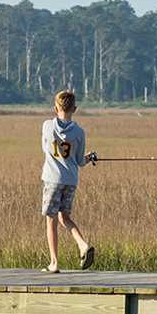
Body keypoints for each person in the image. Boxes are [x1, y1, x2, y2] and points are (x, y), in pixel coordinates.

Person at [39, 89, 97, 273]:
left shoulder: (47, 126)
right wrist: (89, 157)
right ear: (75, 108)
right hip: (71, 180)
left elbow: (45, 148)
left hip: (52, 179)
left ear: (55, 107)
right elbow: (80, 161)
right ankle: (82, 244)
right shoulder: (79, 132)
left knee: (51, 220)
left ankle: (54, 262)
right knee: (65, 217)